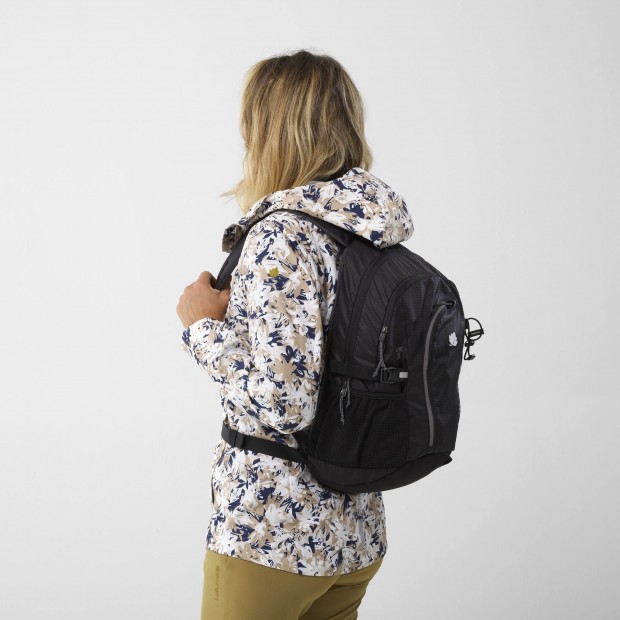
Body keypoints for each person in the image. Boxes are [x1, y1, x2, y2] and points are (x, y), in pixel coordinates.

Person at [176, 49, 414, 620]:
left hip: (271, 535)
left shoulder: (280, 237)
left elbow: (284, 403)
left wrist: (202, 327)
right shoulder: (368, 232)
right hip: (353, 531)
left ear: (268, 129)